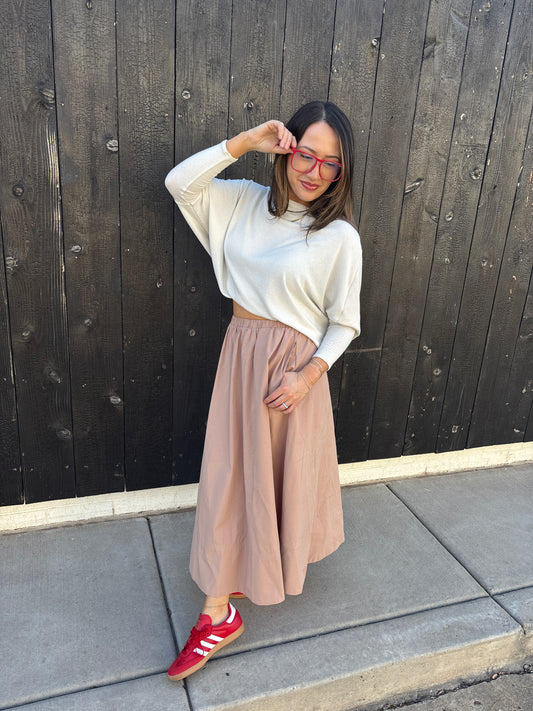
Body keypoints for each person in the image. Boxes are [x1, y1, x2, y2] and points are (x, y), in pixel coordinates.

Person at [164, 101, 362, 681]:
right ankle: (226, 600)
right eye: (306, 154)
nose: (315, 171)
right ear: (287, 149)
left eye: (331, 163)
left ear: (342, 172)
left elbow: (344, 323)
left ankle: (216, 612)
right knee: (229, 476)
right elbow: (179, 183)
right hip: (241, 355)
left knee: (257, 479)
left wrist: (307, 377)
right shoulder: (243, 202)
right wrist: (245, 142)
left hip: (289, 373)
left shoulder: (339, 237)